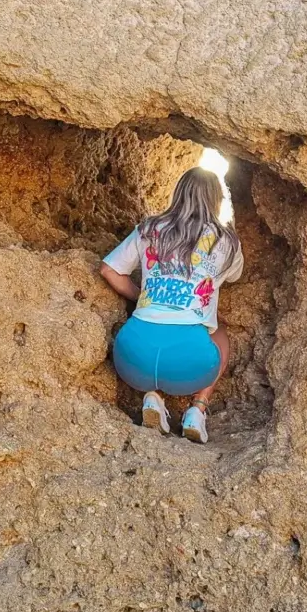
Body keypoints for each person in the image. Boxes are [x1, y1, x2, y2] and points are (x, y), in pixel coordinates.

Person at [100, 166, 244, 444]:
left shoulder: (149, 228)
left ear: (177, 193)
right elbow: (234, 276)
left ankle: (152, 397)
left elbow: (109, 270)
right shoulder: (226, 240)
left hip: (130, 361)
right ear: (216, 199)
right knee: (218, 330)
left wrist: (141, 296)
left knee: (150, 322)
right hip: (188, 366)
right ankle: (197, 409)